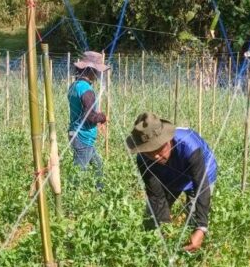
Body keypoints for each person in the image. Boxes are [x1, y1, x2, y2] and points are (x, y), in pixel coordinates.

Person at [126, 112, 217, 252]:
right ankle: (155, 253)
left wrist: (201, 227)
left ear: (167, 140)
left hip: (200, 173)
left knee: (195, 221)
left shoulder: (189, 145)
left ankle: (194, 258)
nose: (155, 156)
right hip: (169, 176)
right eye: (149, 152)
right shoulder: (143, 160)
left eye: (159, 149)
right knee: (152, 218)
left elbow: (201, 187)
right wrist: (164, 229)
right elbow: (157, 196)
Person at [67, 51, 108, 187]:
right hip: (83, 137)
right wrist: (103, 117)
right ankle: (72, 200)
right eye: (97, 71)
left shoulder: (74, 86)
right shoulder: (87, 90)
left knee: (98, 165)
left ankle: (100, 192)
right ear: (91, 71)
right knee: (79, 172)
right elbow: (89, 116)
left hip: (75, 133)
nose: (98, 75)